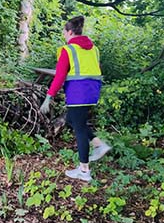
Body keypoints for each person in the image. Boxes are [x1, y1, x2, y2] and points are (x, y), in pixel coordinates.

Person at [40, 15, 111, 182]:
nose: (64, 35)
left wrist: (48, 97)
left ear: (70, 32)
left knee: (79, 129)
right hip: (92, 91)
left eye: (64, 32)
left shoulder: (68, 50)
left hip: (78, 93)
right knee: (72, 120)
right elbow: (97, 69)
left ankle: (84, 170)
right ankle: (98, 144)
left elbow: (59, 77)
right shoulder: (94, 49)